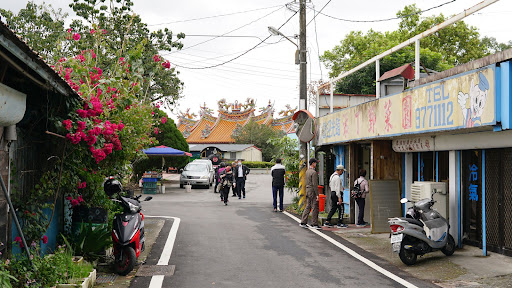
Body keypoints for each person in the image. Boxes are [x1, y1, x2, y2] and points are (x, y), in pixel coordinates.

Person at [300, 158, 321, 229]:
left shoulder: (307, 171)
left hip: (308, 190)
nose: (316, 164)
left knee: (308, 206)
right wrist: (317, 194)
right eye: (315, 163)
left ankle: (303, 221)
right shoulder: (313, 172)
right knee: (315, 207)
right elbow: (315, 184)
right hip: (313, 191)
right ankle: (314, 223)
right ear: (313, 163)